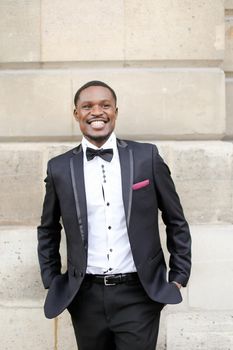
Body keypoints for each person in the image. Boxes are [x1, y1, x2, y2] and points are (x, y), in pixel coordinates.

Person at [37, 80, 191, 350]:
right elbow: (48, 229)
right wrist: (52, 280)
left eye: (105, 105)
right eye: (87, 106)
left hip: (139, 294)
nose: (97, 112)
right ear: (77, 114)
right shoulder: (59, 168)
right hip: (84, 296)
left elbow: (175, 220)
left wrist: (178, 276)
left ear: (116, 111)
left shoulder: (147, 157)